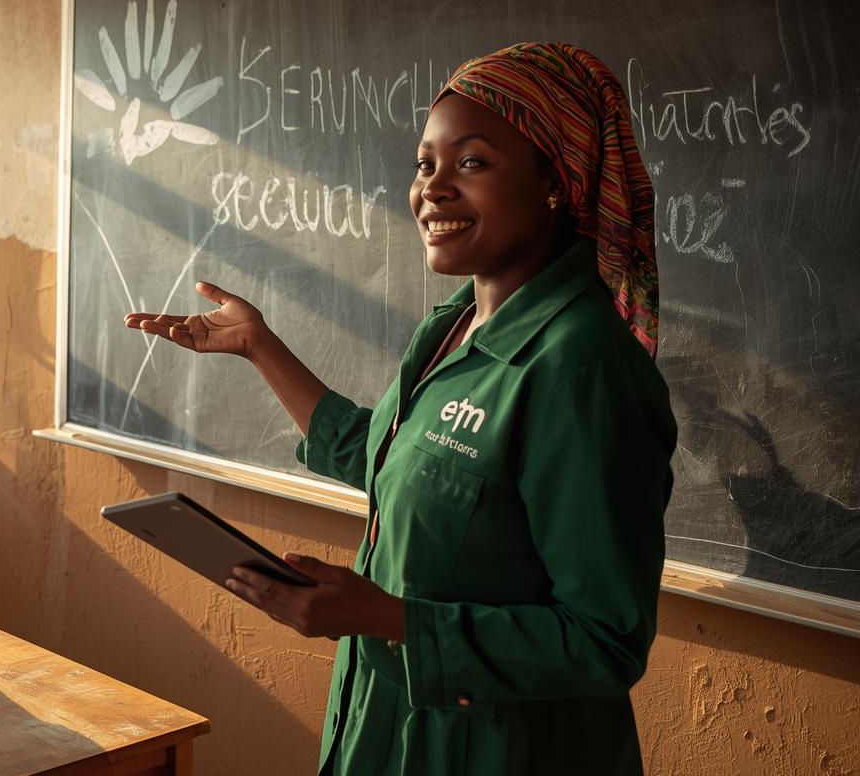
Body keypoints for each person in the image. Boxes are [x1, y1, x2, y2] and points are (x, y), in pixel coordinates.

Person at [126, 42, 676, 775]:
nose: (432, 189)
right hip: (383, 731)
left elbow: (605, 642)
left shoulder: (584, 371)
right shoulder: (452, 325)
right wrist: (260, 347)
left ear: (556, 180)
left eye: (471, 162)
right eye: (424, 165)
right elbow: (391, 460)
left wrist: (384, 617)